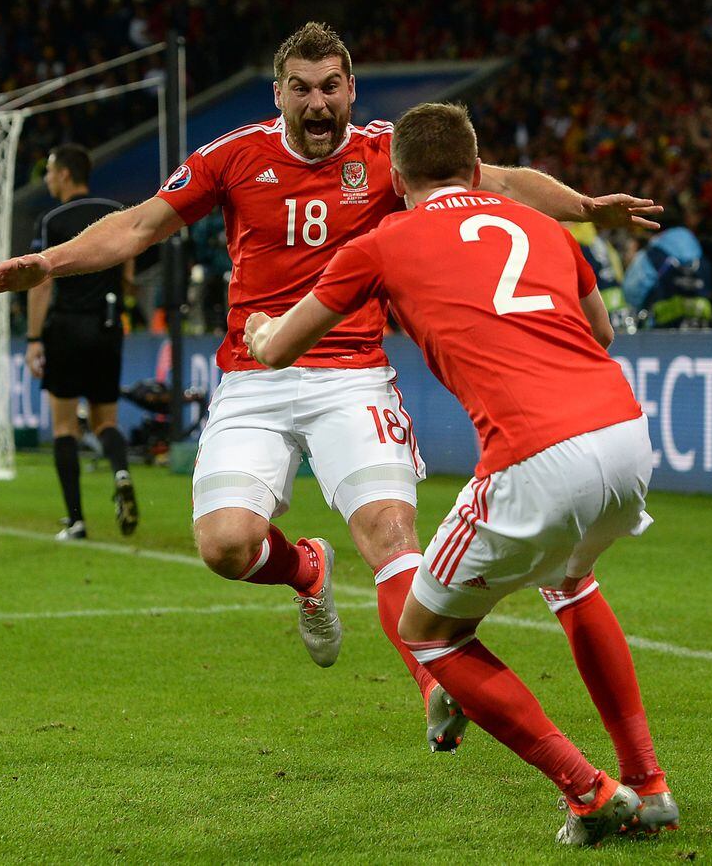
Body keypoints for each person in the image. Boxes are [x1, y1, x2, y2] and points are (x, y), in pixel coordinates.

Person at [0, 23, 660, 709]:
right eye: (301, 89)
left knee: (390, 536)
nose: (318, 102)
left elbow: (504, 182)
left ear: (350, 89)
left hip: (351, 374)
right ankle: (305, 569)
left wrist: (587, 209)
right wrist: (48, 263)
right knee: (226, 547)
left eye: (331, 87)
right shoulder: (233, 156)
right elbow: (139, 226)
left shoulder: (386, 154)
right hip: (254, 375)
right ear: (278, 94)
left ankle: (434, 687)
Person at [244, 102, 676, 847]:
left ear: (398, 177)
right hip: (626, 436)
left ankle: (587, 790)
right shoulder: (542, 226)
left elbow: (280, 348)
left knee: (426, 633)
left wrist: (256, 330)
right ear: (478, 169)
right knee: (571, 581)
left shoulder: (384, 241)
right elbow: (601, 333)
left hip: (537, 454)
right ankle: (650, 784)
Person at [26, 143, 138, 540]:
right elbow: (129, 275)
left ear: (67, 175)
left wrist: (33, 338)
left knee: (64, 427)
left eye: (51, 172)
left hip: (67, 329)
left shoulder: (52, 219)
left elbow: (39, 283)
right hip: (107, 328)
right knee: (106, 421)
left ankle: (77, 520)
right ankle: (122, 473)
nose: (48, 180)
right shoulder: (117, 213)